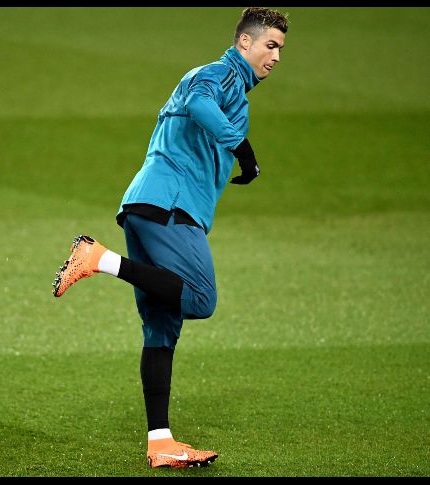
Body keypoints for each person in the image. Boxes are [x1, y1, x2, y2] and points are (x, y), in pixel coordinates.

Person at [52, 7, 288, 469]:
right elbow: (200, 105)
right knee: (200, 298)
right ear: (245, 42)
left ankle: (161, 443)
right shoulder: (221, 74)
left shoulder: (226, 83)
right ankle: (97, 257)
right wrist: (242, 145)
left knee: (162, 329)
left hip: (148, 205)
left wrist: (242, 153)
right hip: (170, 207)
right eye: (270, 45)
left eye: (281, 48)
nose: (276, 56)